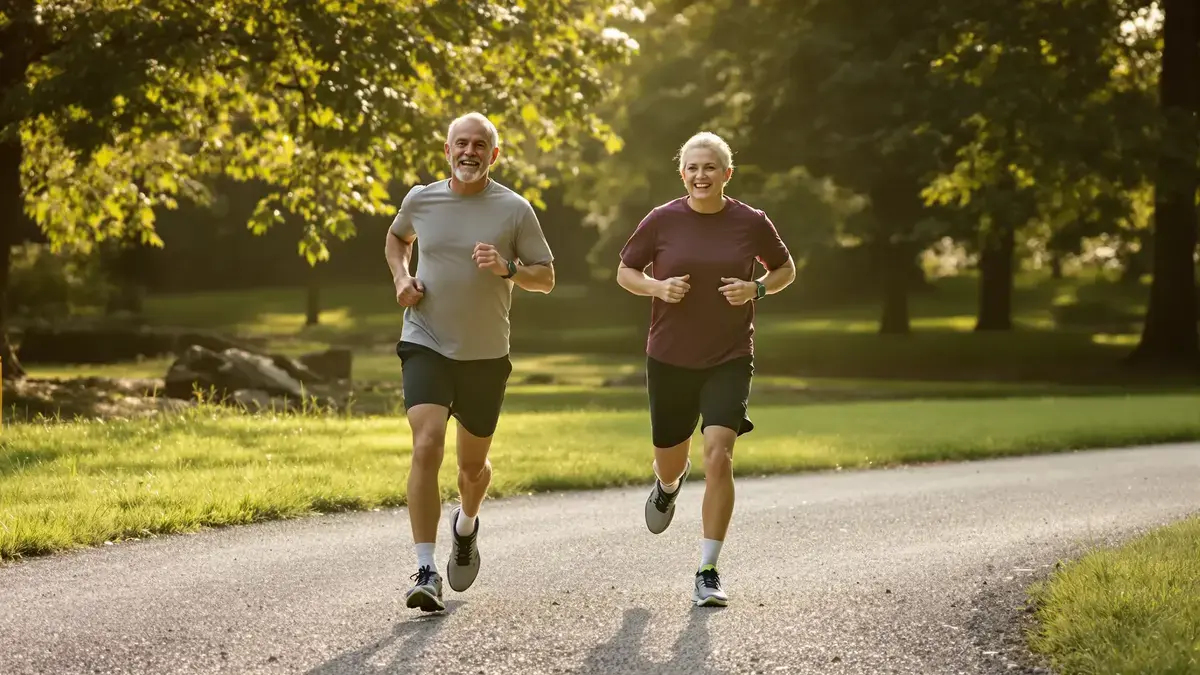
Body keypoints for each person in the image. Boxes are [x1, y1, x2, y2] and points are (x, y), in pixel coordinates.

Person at [615, 131, 796, 607]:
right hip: (670, 356)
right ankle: (668, 485)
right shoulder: (661, 220)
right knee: (671, 459)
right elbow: (626, 272)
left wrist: (756, 289)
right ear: (682, 174)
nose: (701, 175)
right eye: (693, 168)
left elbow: (785, 269)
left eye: (710, 167)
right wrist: (657, 288)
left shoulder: (751, 222)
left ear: (726, 174)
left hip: (729, 355)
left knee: (720, 453)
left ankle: (708, 569)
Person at [384, 111, 556, 612]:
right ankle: (424, 567)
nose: (470, 152)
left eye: (480, 144)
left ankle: (466, 525)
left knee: (472, 470)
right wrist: (402, 278)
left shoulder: (514, 209)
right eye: (462, 143)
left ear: (493, 155)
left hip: (485, 354)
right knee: (426, 443)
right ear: (447, 150)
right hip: (426, 338)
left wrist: (508, 268)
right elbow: (398, 239)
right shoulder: (421, 198)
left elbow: (545, 277)